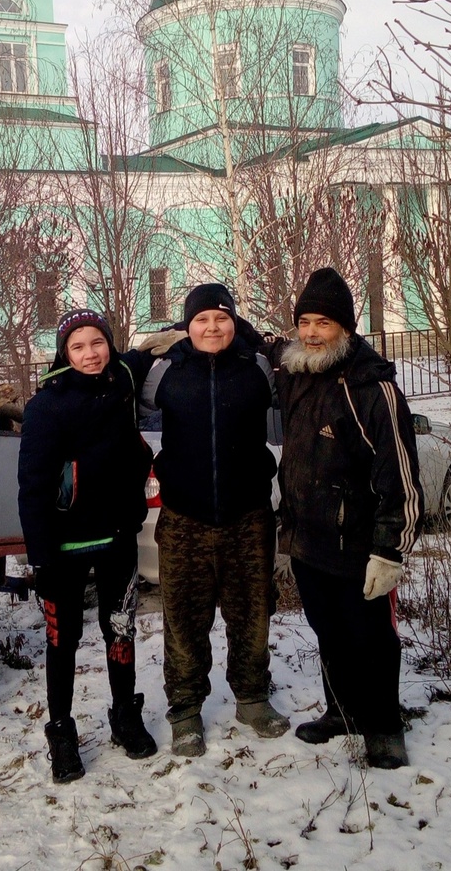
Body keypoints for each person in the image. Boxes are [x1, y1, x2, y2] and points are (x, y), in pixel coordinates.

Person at [269, 268, 424, 769]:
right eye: (306, 322)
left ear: (347, 329)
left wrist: (390, 549)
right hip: (309, 541)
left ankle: (383, 729)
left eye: (325, 323)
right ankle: (341, 713)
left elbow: (399, 473)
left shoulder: (370, 387)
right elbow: (259, 340)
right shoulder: (298, 372)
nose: (312, 332)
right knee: (328, 632)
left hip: (359, 546)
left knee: (371, 638)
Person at [141, 283, 288, 756]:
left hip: (249, 516)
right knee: (184, 618)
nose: (212, 327)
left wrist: (265, 341)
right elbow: (117, 382)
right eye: (202, 319)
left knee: (252, 614)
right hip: (184, 518)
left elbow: (297, 371)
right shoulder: (163, 372)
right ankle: (185, 710)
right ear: (187, 324)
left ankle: (252, 698)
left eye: (221, 318)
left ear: (233, 322)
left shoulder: (257, 367)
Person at [18, 309, 157, 783]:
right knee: (64, 642)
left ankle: (124, 716)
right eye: (78, 346)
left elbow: (139, 357)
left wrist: (177, 334)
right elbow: (32, 485)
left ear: (108, 344)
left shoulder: (120, 379)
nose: (90, 354)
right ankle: (61, 732)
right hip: (63, 545)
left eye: (97, 343)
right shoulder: (46, 406)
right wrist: (39, 553)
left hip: (117, 535)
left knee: (120, 630)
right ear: (64, 353)